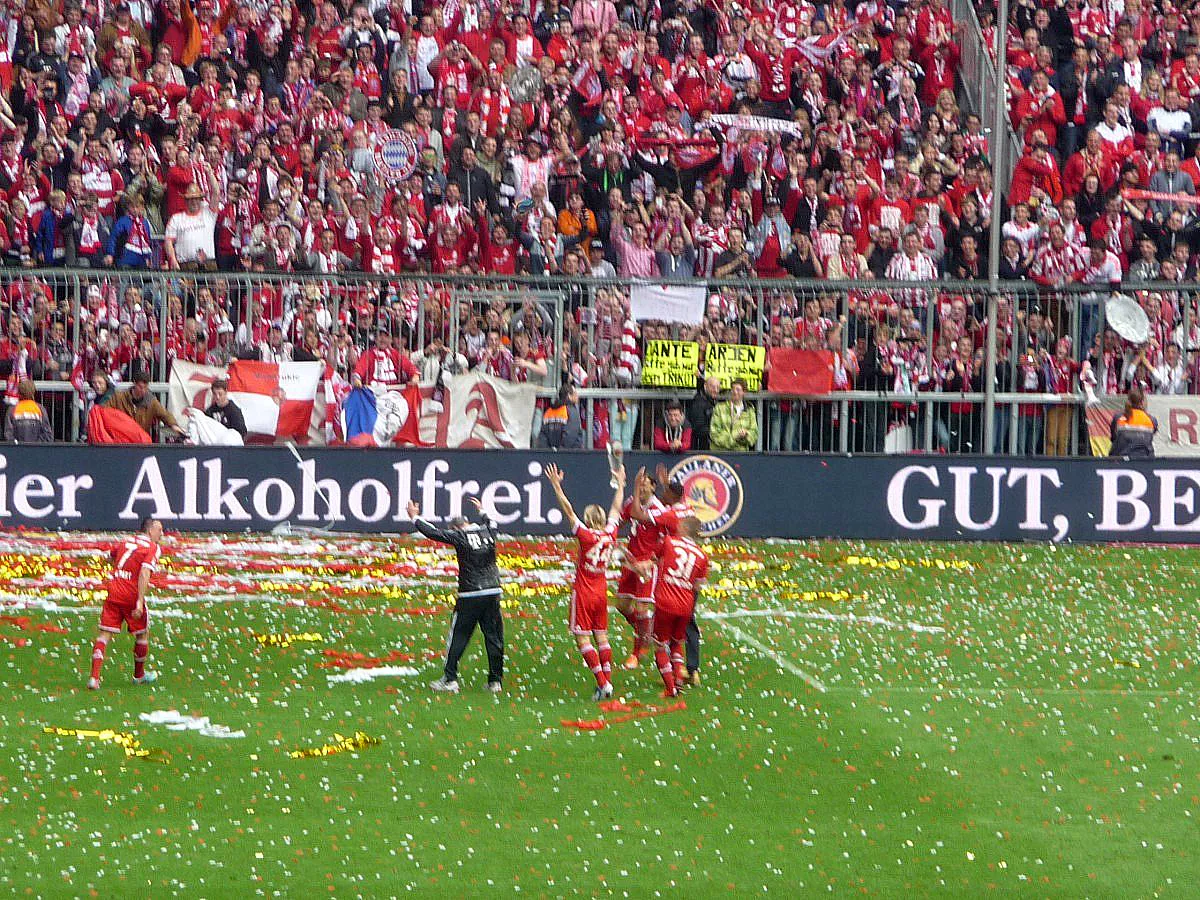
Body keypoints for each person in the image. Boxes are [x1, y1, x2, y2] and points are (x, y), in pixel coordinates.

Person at [544, 462, 625, 700]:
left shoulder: (586, 535)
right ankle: (606, 683)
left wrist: (556, 487)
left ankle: (603, 683)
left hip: (584, 591)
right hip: (601, 591)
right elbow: (617, 509)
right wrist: (620, 484)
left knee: (582, 638)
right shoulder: (610, 534)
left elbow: (569, 511)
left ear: (588, 520)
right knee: (602, 637)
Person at [407, 497, 505, 694]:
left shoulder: (460, 537)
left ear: (456, 528)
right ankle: (495, 681)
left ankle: (450, 678)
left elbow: (432, 532)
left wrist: (414, 517)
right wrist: (483, 511)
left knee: (459, 635)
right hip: (493, 590)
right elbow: (493, 522)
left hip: (470, 593)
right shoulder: (488, 531)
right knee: (494, 637)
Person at [87, 517, 164, 690]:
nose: (161, 534)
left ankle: (94, 678)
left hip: (114, 591)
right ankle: (138, 676)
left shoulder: (126, 541)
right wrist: (139, 601)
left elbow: (110, 557)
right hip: (130, 594)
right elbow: (145, 573)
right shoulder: (152, 548)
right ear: (150, 530)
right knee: (142, 634)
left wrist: (121, 573)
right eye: (159, 530)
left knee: (104, 634)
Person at [111, 374, 187, 439]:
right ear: (134, 384)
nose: (143, 390)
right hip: (121, 439)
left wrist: (173, 425)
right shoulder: (119, 398)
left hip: (141, 440)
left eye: (146, 387)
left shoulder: (151, 401)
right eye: (140, 387)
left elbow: (165, 414)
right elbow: (107, 411)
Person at [710, 378, 759, 451]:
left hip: (740, 454)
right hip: (720, 452)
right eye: (733, 389)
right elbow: (714, 433)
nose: (735, 392)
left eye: (738, 390)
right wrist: (734, 439)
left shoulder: (749, 411)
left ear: (744, 392)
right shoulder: (719, 408)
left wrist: (746, 435)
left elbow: (754, 433)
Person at [1109, 386, 1157, 458]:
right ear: (1142, 402)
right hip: (1145, 459)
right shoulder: (1152, 420)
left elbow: (1113, 438)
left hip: (1120, 459)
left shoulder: (1118, 418)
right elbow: (1150, 437)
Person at [537, 383, 584, 449]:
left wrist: (548, 452)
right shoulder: (571, 411)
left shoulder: (548, 411)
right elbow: (571, 435)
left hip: (549, 456)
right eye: (575, 393)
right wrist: (561, 452)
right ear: (569, 396)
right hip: (569, 455)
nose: (577, 396)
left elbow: (542, 436)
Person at [688, 376, 721, 451]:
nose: (715, 390)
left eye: (718, 387)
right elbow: (698, 428)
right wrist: (717, 432)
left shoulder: (714, 402)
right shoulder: (698, 402)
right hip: (701, 447)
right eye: (713, 387)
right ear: (705, 386)